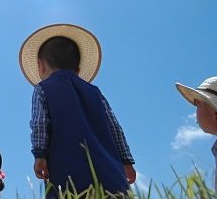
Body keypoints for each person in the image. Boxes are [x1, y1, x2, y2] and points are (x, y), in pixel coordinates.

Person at [19, 24, 135, 197]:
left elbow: (39, 123)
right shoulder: (96, 93)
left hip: (67, 176)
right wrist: (126, 161)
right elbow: (115, 128)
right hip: (110, 177)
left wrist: (40, 154)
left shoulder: (43, 89)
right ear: (79, 70)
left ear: (40, 66)